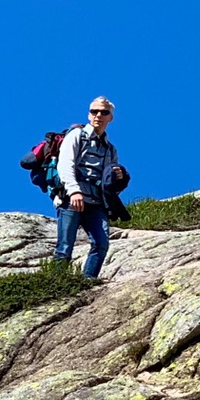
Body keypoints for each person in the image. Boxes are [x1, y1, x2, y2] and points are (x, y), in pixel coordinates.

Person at [54, 96, 124, 278]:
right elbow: (65, 165)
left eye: (104, 112)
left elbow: (108, 182)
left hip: (96, 202)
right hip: (71, 199)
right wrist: (74, 191)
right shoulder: (76, 136)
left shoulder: (110, 149)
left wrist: (118, 179)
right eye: (94, 111)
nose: (98, 115)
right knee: (64, 248)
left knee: (101, 244)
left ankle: (87, 283)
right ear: (88, 114)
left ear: (111, 118)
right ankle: (55, 287)